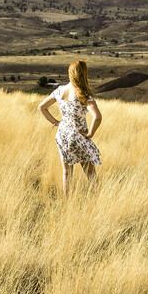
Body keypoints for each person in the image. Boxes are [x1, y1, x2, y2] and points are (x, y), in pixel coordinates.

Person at [38, 60, 102, 196]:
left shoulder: (60, 90)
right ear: (83, 74)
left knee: (67, 173)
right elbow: (97, 117)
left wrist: (56, 122)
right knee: (90, 173)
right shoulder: (83, 95)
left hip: (62, 135)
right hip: (78, 136)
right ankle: (98, 201)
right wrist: (90, 134)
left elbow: (42, 107)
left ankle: (68, 204)